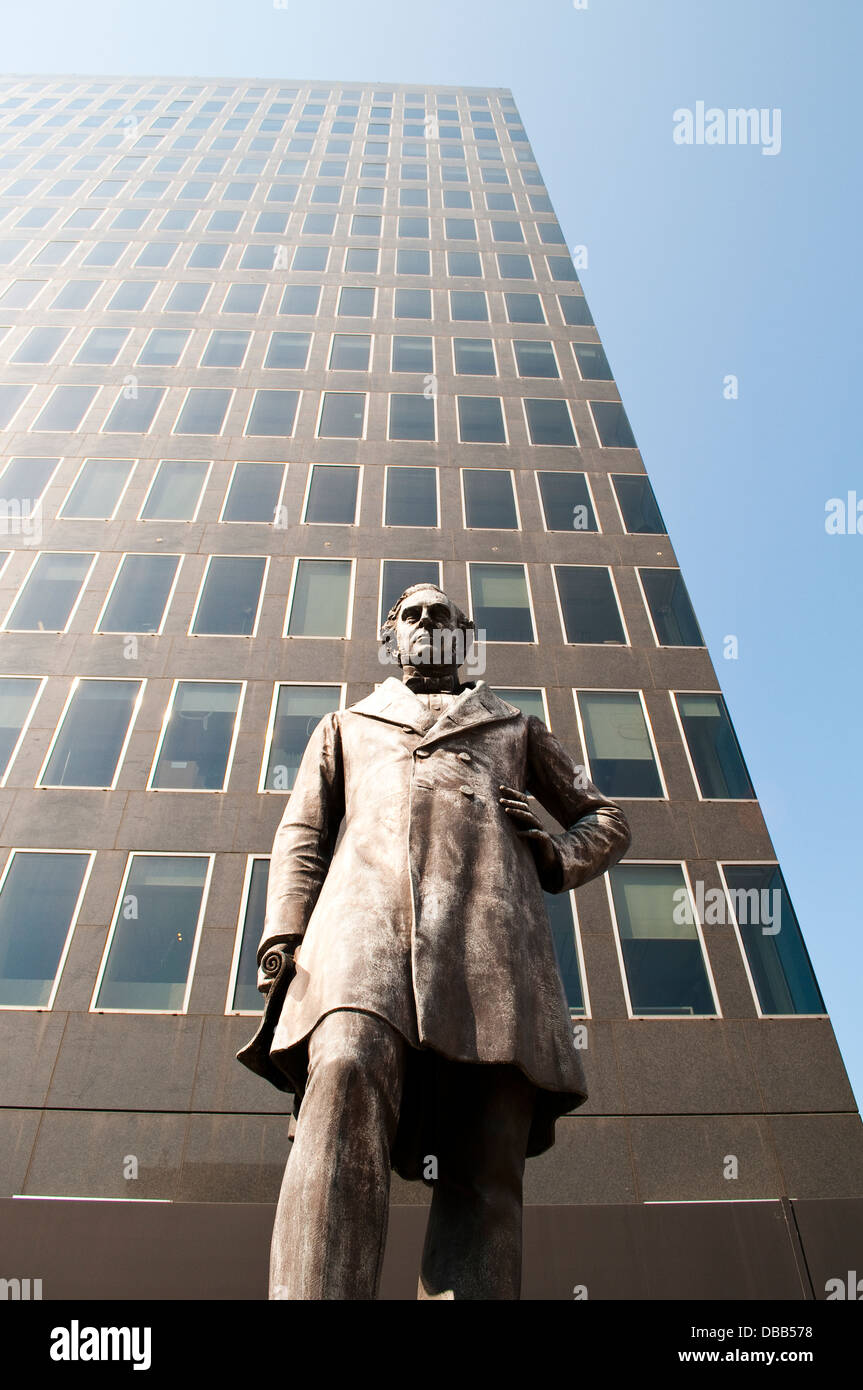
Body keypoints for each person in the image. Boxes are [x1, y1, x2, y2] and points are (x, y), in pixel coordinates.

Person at [239, 583, 631, 1299]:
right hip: (360, 939)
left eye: (441, 615)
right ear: (391, 639)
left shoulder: (514, 727)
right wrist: (283, 934)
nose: (426, 623)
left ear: (464, 637)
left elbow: (605, 818)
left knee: (487, 1154)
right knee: (346, 1072)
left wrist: (554, 851)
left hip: (493, 948)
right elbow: (300, 834)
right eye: (412, 615)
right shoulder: (345, 725)